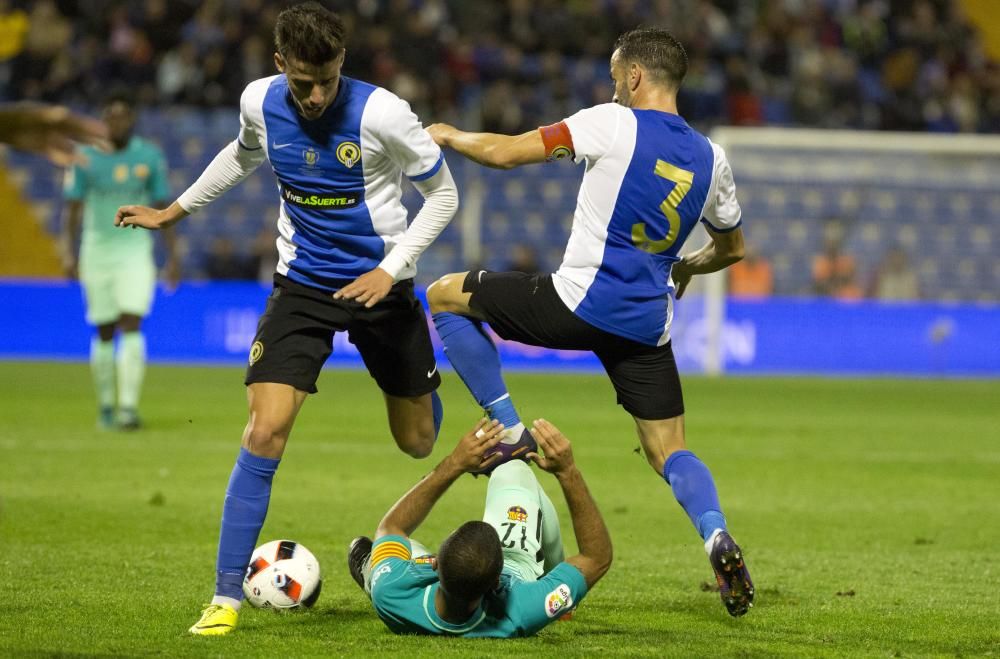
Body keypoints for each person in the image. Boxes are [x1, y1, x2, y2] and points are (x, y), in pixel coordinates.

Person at [114, 2, 458, 635]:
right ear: (279, 66)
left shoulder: (383, 113)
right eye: (303, 82)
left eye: (328, 79)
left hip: (383, 285)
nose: (318, 95)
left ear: (342, 63)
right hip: (301, 284)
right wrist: (174, 212)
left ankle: (424, 383)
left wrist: (392, 267)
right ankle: (224, 599)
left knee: (418, 442)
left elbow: (444, 195)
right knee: (265, 431)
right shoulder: (259, 102)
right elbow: (241, 156)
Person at [425, 27, 754, 616]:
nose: (612, 87)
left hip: (574, 304)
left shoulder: (611, 122)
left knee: (445, 295)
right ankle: (715, 533)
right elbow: (731, 249)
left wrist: (448, 134)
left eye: (614, 78)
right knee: (668, 449)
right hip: (645, 326)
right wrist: (685, 269)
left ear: (633, 77)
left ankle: (507, 429)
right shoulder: (713, 159)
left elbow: (504, 153)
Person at [347, 417, 612, 637]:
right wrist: (567, 471)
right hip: (517, 564)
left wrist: (455, 463)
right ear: (497, 582)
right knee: (513, 468)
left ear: (436, 564)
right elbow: (595, 557)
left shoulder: (392, 594)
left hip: (410, 584)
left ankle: (372, 569)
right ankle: (563, 599)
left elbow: (392, 526)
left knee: (385, 563)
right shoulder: (523, 607)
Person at [61, 91, 176, 430]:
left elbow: (162, 207)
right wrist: (68, 250)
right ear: (102, 120)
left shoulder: (149, 156)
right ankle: (106, 405)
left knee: (132, 322)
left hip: (134, 251)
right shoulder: (83, 156)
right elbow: (73, 207)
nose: (117, 122)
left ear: (132, 120)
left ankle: (127, 407)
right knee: (104, 329)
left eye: (123, 115)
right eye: (110, 116)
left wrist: (173, 256)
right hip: (96, 249)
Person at [0, 103, 108, 165]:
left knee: (66, 121)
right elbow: (43, 148)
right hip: (31, 132)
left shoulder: (18, 117)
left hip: (37, 120)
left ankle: (102, 137)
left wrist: (48, 114)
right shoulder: (22, 138)